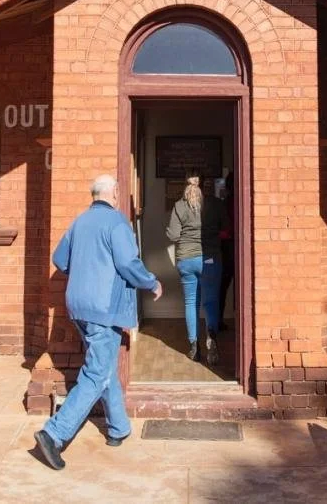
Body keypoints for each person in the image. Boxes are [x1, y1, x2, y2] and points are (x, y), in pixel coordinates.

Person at [34, 174, 163, 472]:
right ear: (114, 193)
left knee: (103, 368)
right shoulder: (117, 223)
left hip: (77, 306)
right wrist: (152, 283)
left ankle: (118, 428)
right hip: (103, 308)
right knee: (95, 374)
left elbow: (60, 259)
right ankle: (53, 434)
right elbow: (129, 264)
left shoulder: (79, 222)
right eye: (118, 192)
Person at [166, 172, 229, 365]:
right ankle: (211, 339)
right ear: (205, 185)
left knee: (191, 302)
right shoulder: (216, 204)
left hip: (186, 259)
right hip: (209, 259)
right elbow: (226, 230)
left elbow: (174, 236)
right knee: (211, 302)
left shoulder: (179, 206)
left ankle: (194, 347)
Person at [217, 173, 235, 331]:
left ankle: (218, 320)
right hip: (237, 247)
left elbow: (223, 227)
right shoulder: (242, 200)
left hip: (227, 247)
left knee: (222, 287)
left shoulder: (225, 203)